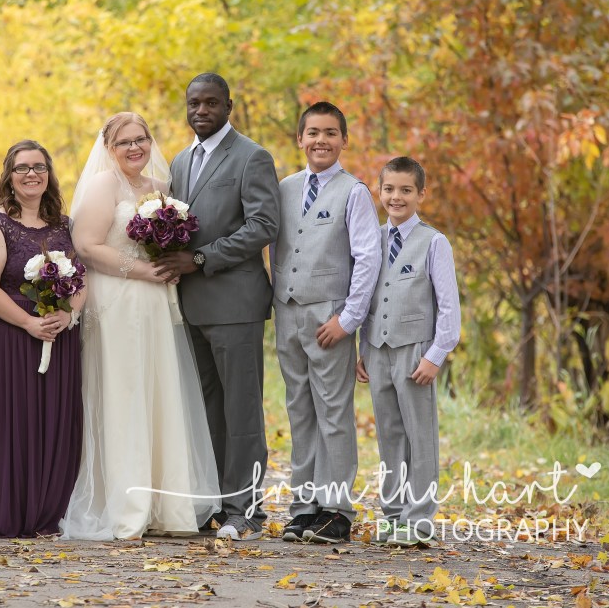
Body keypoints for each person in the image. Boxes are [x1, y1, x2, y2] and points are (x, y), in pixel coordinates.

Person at [60, 112, 220, 541]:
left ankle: (167, 506)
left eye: (141, 139)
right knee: (126, 395)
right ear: (109, 149)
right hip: (117, 301)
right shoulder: (103, 185)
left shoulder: (161, 189)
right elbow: (86, 246)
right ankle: (128, 506)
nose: (135, 148)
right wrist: (142, 271)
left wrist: (164, 264)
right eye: (124, 142)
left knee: (159, 393)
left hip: (154, 304)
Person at [154, 73, 279, 541]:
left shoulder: (251, 156)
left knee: (241, 411)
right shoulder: (180, 161)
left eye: (211, 103)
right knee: (206, 410)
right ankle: (214, 503)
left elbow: (263, 225)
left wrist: (202, 258)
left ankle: (247, 511)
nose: (201, 111)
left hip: (235, 303)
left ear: (229, 105)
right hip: (190, 305)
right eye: (194, 104)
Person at [273, 102, 381, 544]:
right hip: (288, 313)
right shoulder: (284, 188)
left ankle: (336, 511)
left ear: (344, 141)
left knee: (333, 414)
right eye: (313, 132)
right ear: (300, 138)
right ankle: (304, 508)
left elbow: (368, 258)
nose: (321, 140)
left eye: (331, 133)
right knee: (299, 410)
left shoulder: (354, 192)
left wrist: (349, 319)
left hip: (330, 318)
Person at [0, 140, 85, 537]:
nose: (31, 174)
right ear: (9, 176)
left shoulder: (65, 226)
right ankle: (9, 511)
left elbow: (82, 279)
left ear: (49, 174)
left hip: (58, 335)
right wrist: (27, 323)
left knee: (55, 421)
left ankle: (48, 512)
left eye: (39, 167)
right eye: (22, 168)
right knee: (10, 423)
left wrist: (68, 314)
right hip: (8, 338)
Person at [356, 156, 461, 547]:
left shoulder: (434, 242)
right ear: (379, 191)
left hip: (416, 352)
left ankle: (419, 519)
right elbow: (364, 297)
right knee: (389, 436)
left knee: (420, 436)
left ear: (421, 194)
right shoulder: (371, 239)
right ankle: (393, 514)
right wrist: (363, 347)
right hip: (377, 350)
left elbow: (448, 306)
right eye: (389, 189)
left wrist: (436, 355)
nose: (396, 197)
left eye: (405, 190)